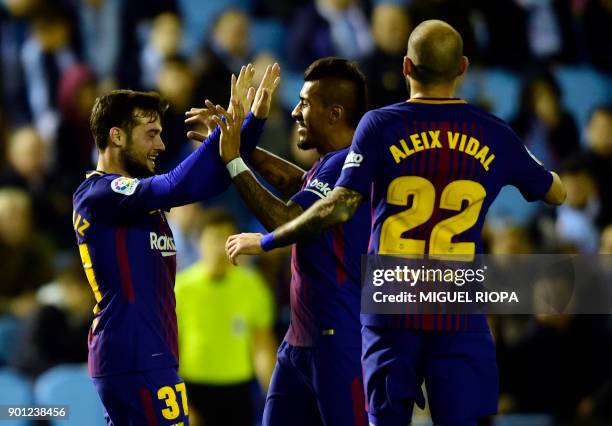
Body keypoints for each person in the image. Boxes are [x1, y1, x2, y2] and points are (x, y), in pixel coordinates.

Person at [226, 20, 566, 426]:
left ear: (405, 67)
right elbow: (556, 192)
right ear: (462, 67)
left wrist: (267, 241)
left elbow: (338, 205)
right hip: (456, 304)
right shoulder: (494, 132)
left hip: (393, 306)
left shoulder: (380, 126)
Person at [72, 63, 276, 425]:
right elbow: (175, 185)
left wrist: (250, 124)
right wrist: (219, 135)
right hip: (133, 354)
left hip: (148, 352)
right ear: (117, 136)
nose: (162, 145)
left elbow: (207, 184)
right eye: (151, 134)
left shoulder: (135, 200)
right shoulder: (99, 193)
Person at [202, 58, 370, 425]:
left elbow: (289, 218)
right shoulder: (331, 164)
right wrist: (234, 144)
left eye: (306, 103)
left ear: (335, 113)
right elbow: (298, 184)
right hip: (301, 340)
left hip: (338, 339)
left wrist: (234, 161)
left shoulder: (347, 163)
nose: (295, 112)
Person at [175, 209, 276, 426]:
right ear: (199, 242)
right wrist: (181, 403)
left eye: (227, 240)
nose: (219, 248)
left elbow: (262, 346)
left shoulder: (252, 286)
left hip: (238, 391)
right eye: (213, 239)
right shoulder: (180, 289)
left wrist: (273, 394)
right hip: (192, 390)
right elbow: (169, 349)